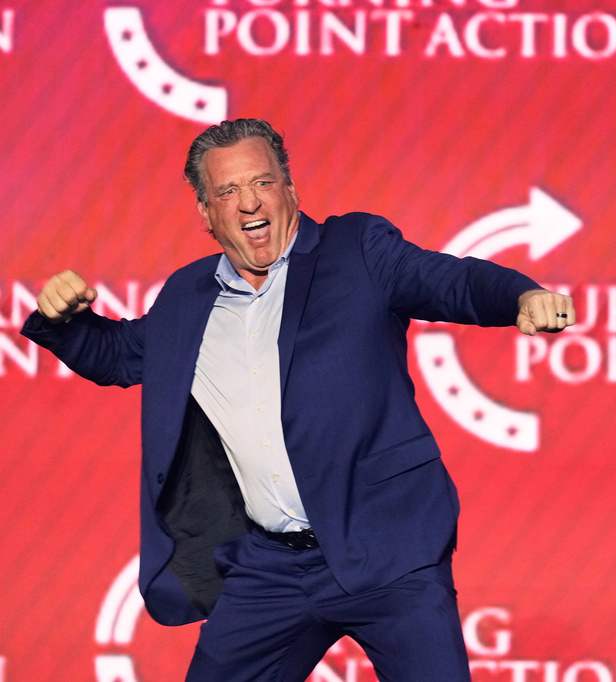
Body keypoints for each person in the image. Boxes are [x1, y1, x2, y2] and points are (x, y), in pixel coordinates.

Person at [21, 118, 575, 681]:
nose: (248, 203)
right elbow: (118, 356)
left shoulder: (357, 250)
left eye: (261, 182)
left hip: (388, 548)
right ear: (206, 213)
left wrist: (520, 296)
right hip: (270, 570)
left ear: (290, 188)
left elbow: (449, 281)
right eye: (227, 191)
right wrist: (63, 321)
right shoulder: (188, 296)